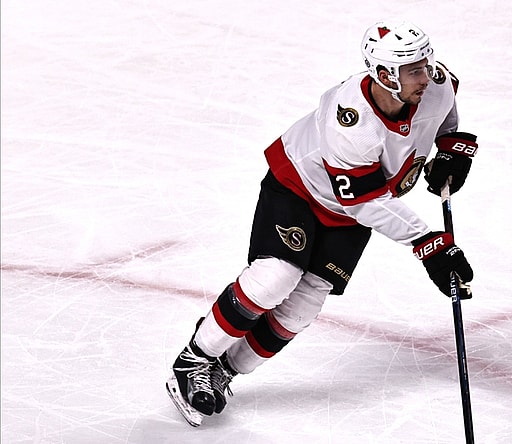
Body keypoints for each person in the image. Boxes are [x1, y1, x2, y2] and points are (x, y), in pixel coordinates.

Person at [166, 20, 479, 427]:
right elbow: (366, 203)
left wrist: (452, 145)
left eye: (425, 62)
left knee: (303, 306)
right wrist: (428, 243)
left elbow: (444, 108)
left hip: (353, 208)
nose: (427, 74)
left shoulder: (433, 83)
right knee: (275, 278)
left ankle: (226, 370)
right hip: (299, 189)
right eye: (414, 69)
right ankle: (195, 359)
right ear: (385, 75)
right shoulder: (349, 120)